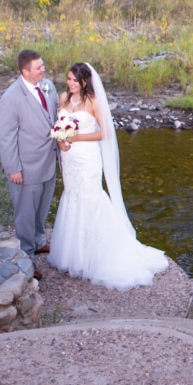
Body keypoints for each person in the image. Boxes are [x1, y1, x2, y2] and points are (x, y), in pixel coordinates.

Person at [48, 62, 168, 290]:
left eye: (75, 80)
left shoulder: (93, 101)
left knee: (89, 197)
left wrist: (76, 139)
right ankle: (74, 254)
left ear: (85, 81)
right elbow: (60, 125)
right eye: (69, 79)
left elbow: (104, 132)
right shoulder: (64, 98)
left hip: (87, 158)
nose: (70, 84)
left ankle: (96, 255)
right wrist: (62, 141)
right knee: (72, 195)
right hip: (70, 159)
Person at [0, 49, 58, 279]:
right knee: (25, 213)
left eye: (42, 65)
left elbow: (56, 115)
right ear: (25, 71)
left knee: (42, 208)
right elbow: (5, 135)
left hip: (49, 161)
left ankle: (39, 240)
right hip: (27, 167)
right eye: (38, 67)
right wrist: (14, 168)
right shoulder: (12, 97)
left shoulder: (48, 86)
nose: (43, 69)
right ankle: (27, 257)